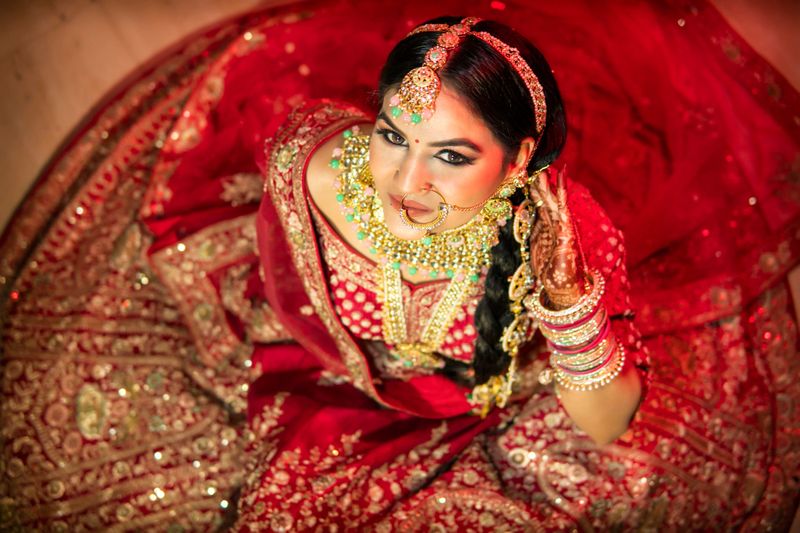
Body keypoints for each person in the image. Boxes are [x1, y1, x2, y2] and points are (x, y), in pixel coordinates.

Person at [0, 1, 798, 531]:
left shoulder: (567, 234)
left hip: (504, 384)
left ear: (519, 157)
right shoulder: (312, 166)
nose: (405, 186)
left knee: (633, 477)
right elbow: (284, 269)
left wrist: (566, 305)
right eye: (392, 136)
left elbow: (607, 421)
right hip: (338, 374)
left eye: (450, 155)